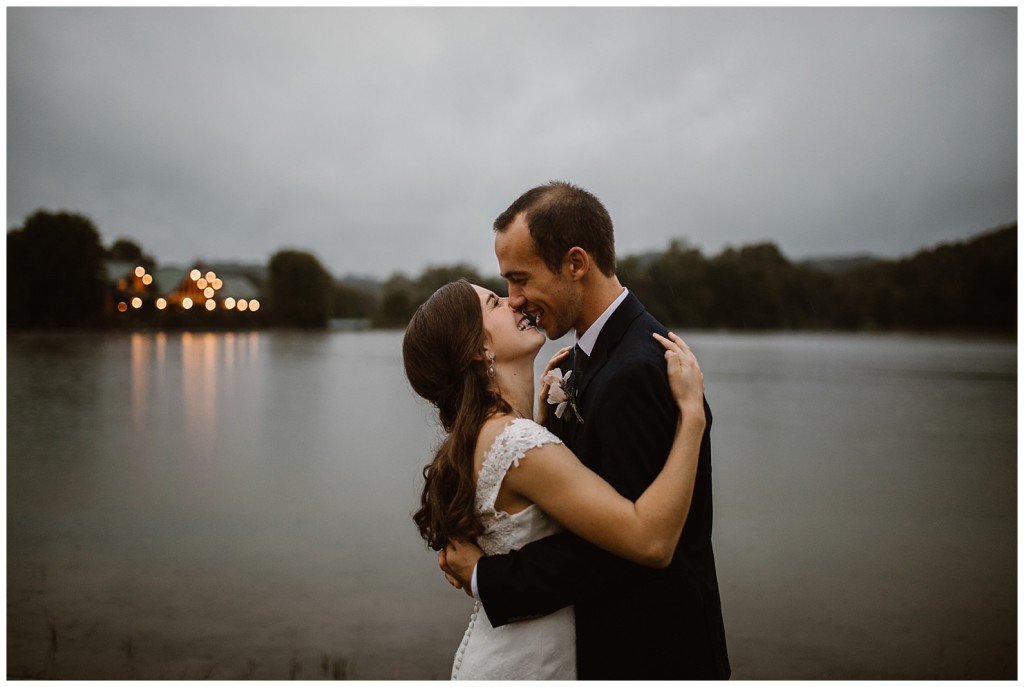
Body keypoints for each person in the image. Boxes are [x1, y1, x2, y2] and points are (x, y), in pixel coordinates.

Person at [439, 181, 731, 679]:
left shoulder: (636, 370)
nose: (515, 300)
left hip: (654, 655)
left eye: (520, 279)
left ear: (576, 264)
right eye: (504, 286)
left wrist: (490, 578)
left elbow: (626, 551)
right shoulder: (580, 361)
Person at [403, 279, 708, 679]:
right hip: (531, 665)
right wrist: (692, 416)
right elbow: (650, 540)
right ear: (479, 350)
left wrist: (539, 425)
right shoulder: (519, 444)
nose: (514, 302)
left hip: (509, 651)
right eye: (495, 302)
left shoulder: (489, 434)